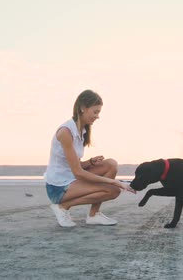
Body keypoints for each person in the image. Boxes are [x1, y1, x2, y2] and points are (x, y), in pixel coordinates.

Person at [44, 89, 136, 227]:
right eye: (95, 112)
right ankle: (63, 206)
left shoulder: (81, 130)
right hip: (58, 187)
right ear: (82, 108)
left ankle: (93, 215)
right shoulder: (66, 132)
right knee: (113, 190)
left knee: (111, 164)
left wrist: (90, 162)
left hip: (71, 180)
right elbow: (78, 172)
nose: (97, 116)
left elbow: (76, 165)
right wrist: (115, 182)